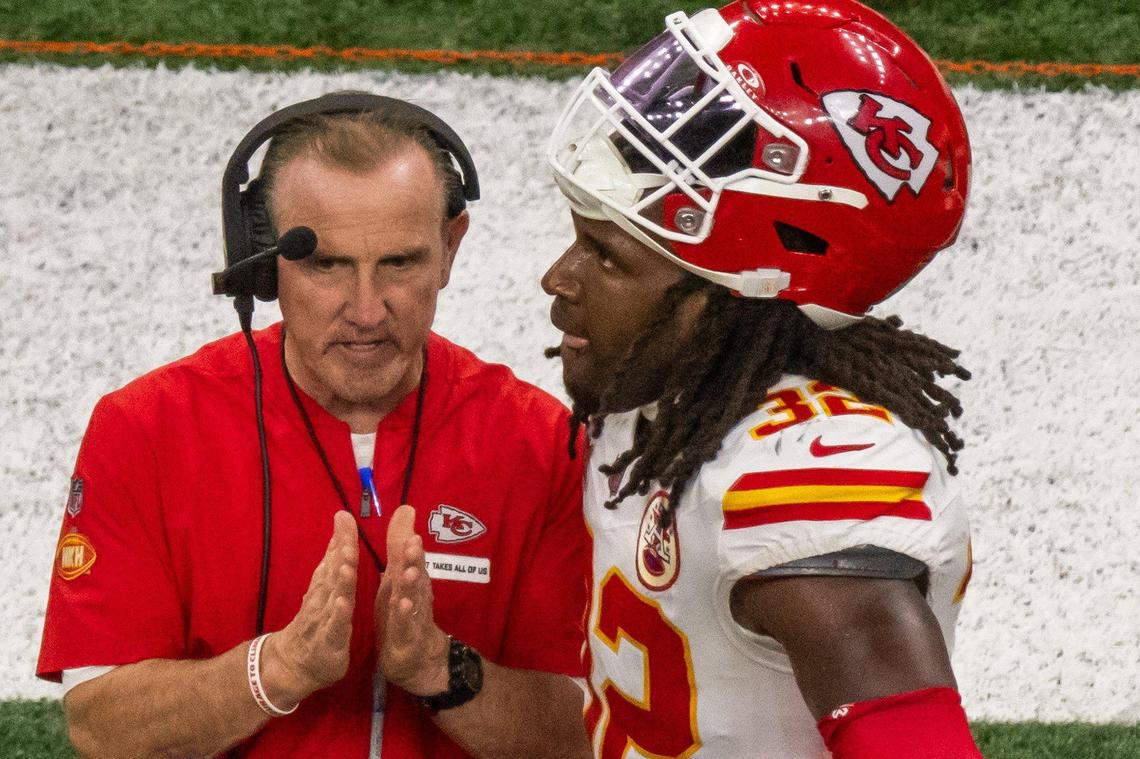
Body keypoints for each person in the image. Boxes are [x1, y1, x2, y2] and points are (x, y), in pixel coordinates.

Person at [37, 94, 591, 759]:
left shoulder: (543, 442)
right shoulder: (144, 430)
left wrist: (442, 670)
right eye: (325, 264)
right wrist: (277, 670)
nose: (365, 310)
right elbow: (101, 726)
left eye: (399, 263)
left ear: (451, 247)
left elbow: (583, 736)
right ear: (266, 262)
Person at [541, 1, 983, 756]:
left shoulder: (807, 473)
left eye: (607, 253)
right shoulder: (668, 398)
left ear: (738, 286)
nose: (558, 278)